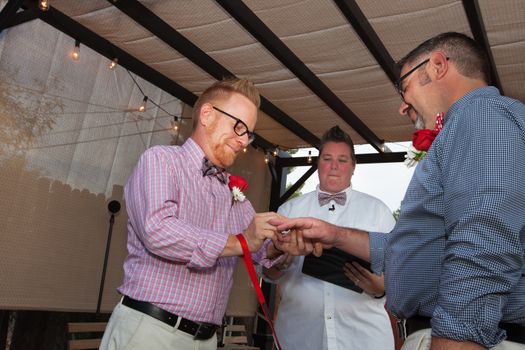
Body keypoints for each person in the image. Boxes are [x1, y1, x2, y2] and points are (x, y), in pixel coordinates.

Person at [272, 32, 525, 350]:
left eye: (404, 87)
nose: (402, 107)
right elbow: (422, 251)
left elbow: (485, 241)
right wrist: (335, 235)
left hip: (463, 337)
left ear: (436, 66)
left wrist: (456, 339)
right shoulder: (471, 125)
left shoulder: (481, 116)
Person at [100, 78, 290, 350]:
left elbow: (260, 252)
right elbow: (157, 230)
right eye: (238, 127)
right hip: (151, 332)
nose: (242, 141)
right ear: (207, 115)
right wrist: (239, 241)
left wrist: (283, 247)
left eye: (248, 134)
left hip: (206, 340)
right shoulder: (162, 161)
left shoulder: (233, 193)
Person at [264, 125, 396, 350]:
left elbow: (403, 274)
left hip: (364, 340)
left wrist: (381, 289)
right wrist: (281, 260)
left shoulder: (379, 211)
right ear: (318, 164)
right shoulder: (288, 211)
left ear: (354, 167)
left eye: (343, 160)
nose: (334, 166)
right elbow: (266, 272)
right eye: (327, 158)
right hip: (300, 338)